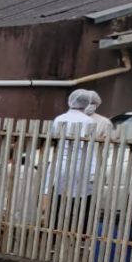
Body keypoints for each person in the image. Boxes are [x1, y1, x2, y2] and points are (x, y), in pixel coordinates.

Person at [44, 89, 96, 227]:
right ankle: (75, 229)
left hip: (61, 163)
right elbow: (90, 146)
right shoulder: (89, 121)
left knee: (59, 197)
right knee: (79, 198)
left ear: (70, 101)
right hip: (82, 165)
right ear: (86, 104)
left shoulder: (60, 119)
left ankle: (55, 227)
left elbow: (53, 139)